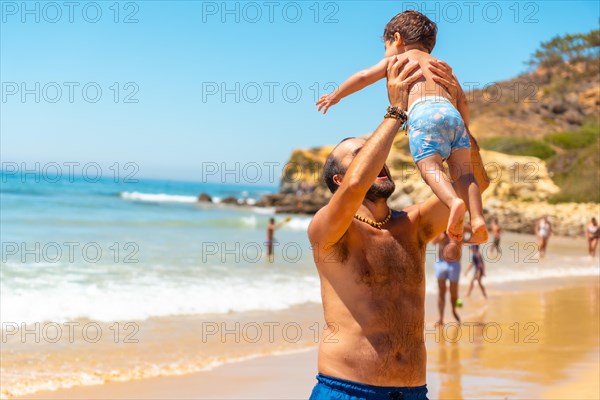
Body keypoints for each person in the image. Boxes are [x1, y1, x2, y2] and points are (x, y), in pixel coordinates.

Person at [307, 56, 490, 399]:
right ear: (338, 178)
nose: (382, 162)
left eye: (378, 156)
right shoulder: (328, 230)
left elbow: (476, 180)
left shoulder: (412, 225)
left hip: (412, 392)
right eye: (362, 155)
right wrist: (396, 111)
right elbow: (355, 186)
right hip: (347, 389)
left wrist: (460, 118)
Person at [316, 10, 487, 245]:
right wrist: (463, 127)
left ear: (396, 39)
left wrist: (337, 95)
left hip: (424, 115)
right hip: (453, 115)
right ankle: (477, 221)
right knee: (465, 173)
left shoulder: (396, 61)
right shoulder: (443, 66)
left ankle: (453, 201)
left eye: (386, 46)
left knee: (429, 165)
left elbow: (364, 76)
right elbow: (463, 101)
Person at [431, 231, 462, 326]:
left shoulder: (457, 230)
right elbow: (433, 242)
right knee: (441, 292)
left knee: (454, 294)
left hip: (454, 264)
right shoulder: (440, 232)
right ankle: (440, 319)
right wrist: (441, 234)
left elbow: (470, 232)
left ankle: (454, 311)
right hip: (441, 263)